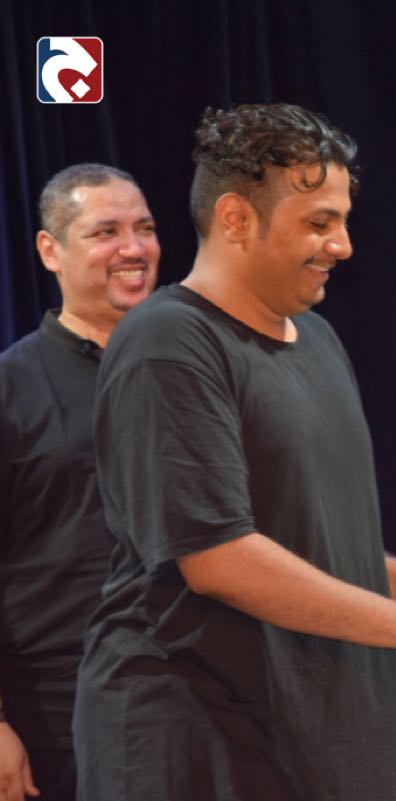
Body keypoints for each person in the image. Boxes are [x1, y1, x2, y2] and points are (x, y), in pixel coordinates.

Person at [72, 102, 396, 801]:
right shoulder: (168, 342)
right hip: (204, 737)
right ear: (237, 218)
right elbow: (216, 556)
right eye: (320, 222)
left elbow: (303, 534)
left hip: (324, 735)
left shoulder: (318, 338)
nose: (344, 245)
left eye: (344, 221)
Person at [0, 163, 159, 801]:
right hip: (58, 720)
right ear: (50, 250)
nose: (134, 248)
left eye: (145, 228)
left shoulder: (190, 370)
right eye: (106, 232)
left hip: (196, 703)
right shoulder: (12, 386)